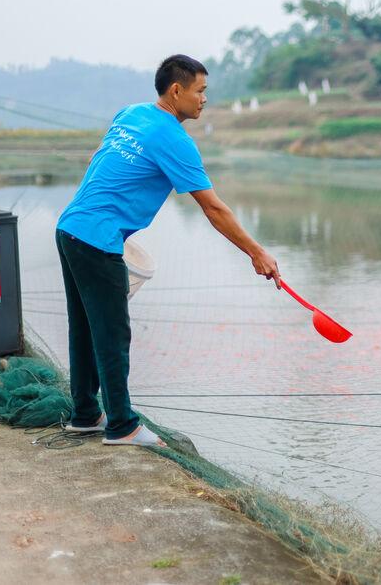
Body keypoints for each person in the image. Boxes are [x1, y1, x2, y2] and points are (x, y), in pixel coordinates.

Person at [56, 54, 280, 447]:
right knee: (112, 333)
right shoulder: (175, 140)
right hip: (96, 239)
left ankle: (86, 414)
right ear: (176, 91)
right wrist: (256, 253)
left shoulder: (130, 113)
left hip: (70, 227)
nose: (204, 100)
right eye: (200, 91)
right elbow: (213, 208)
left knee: (85, 327)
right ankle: (122, 426)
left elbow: (99, 159)